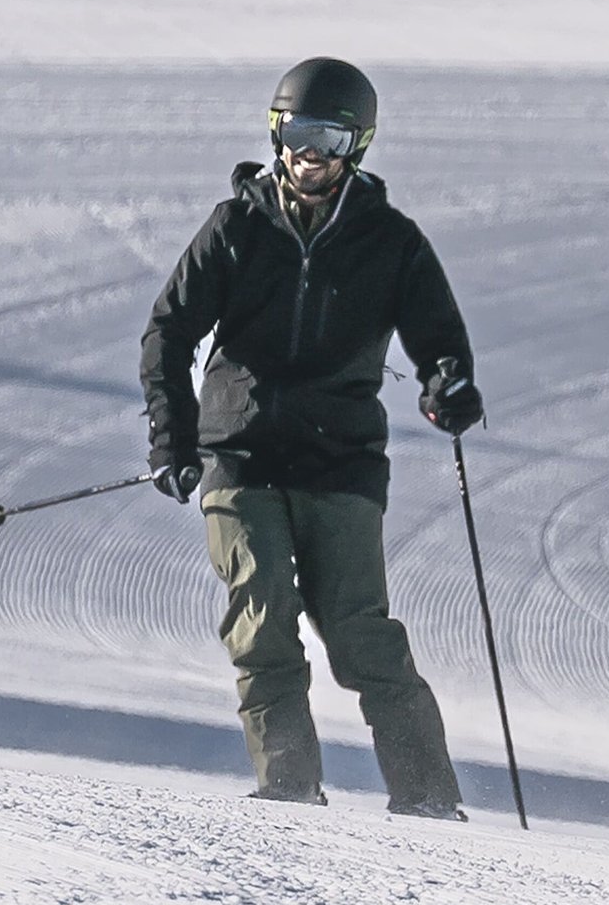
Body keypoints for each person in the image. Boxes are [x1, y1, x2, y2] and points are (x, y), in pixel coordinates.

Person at [140, 57, 480, 813]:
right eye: (295, 131)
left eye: (327, 136)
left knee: (361, 639)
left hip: (340, 462)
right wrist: (175, 438)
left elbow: (441, 342)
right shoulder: (237, 227)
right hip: (241, 454)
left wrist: (448, 387)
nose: (308, 152)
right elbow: (167, 332)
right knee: (260, 622)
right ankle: (289, 788)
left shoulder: (391, 242)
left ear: (356, 146)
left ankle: (429, 800)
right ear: (275, 132)